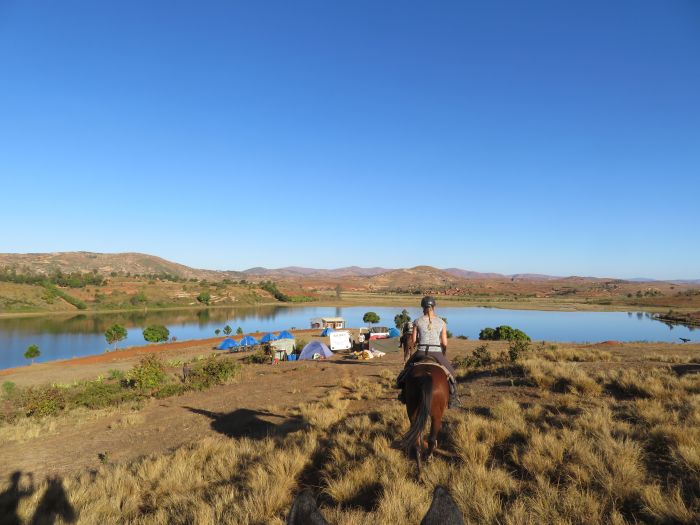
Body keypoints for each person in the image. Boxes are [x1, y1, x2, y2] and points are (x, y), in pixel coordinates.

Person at [396, 296, 459, 408]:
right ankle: (453, 398)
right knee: (452, 373)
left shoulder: (417, 321)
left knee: (406, 370)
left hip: (421, 352)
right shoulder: (441, 322)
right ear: (434, 307)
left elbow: (414, 340)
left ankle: (403, 394)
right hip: (437, 353)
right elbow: (445, 343)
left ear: (423, 308)